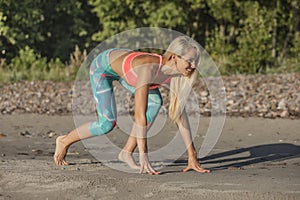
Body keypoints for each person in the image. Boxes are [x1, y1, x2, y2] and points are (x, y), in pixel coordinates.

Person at [54, 36, 210, 174]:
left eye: (196, 60)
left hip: (127, 69)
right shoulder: (148, 69)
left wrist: (192, 156)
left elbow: (179, 114)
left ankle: (126, 153)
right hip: (103, 68)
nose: (194, 65)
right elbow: (139, 114)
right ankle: (64, 141)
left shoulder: (178, 74)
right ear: (175, 57)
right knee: (106, 124)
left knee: (155, 102)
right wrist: (144, 156)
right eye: (189, 60)